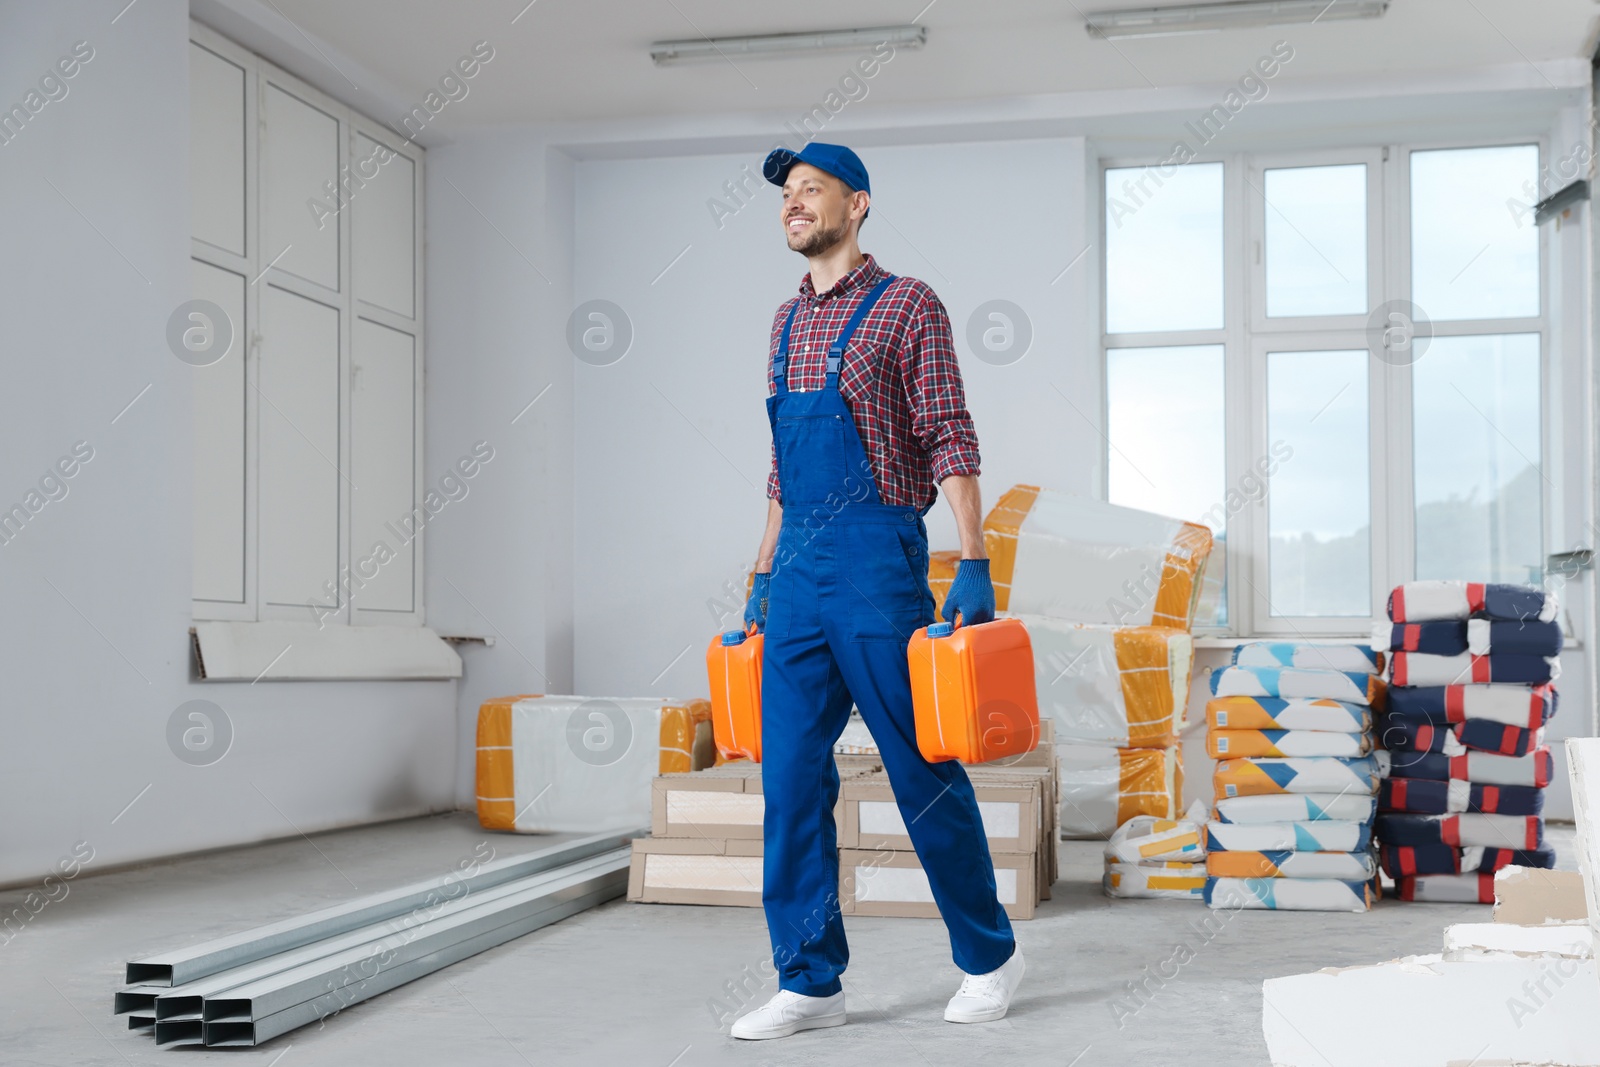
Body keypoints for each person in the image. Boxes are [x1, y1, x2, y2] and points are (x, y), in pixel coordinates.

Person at [730, 142, 1025, 1042]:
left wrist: (972, 558)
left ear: (857, 205)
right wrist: (760, 574)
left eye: (811, 190)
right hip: (801, 571)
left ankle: (989, 957)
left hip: (877, 563)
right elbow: (782, 471)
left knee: (921, 775)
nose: (794, 203)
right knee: (788, 783)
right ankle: (810, 978)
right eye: (787, 194)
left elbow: (949, 435)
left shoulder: (908, 306)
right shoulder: (783, 322)